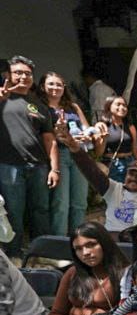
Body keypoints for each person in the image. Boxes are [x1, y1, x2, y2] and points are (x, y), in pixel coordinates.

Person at [0, 55, 57, 254]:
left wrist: (54, 169)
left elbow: (50, 139)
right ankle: (14, 257)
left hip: (39, 167)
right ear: (8, 75)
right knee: (13, 213)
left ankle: (42, 254)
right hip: (9, 166)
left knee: (41, 212)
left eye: (27, 73)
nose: (23, 76)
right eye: (18, 73)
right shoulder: (2, 98)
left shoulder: (39, 105)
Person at [41, 70, 92, 236]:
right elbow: (42, 136)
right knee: (61, 203)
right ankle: (60, 242)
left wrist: (87, 134)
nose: (55, 87)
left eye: (58, 84)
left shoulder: (73, 107)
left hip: (79, 154)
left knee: (80, 201)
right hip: (60, 155)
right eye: (51, 84)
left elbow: (87, 127)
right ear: (43, 86)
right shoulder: (41, 108)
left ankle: (78, 238)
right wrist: (59, 133)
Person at [95, 95, 137, 182]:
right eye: (118, 104)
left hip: (130, 162)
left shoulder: (130, 127)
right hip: (113, 164)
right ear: (109, 107)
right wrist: (103, 139)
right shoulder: (102, 126)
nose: (122, 107)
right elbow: (98, 153)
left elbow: (135, 149)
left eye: (124, 105)